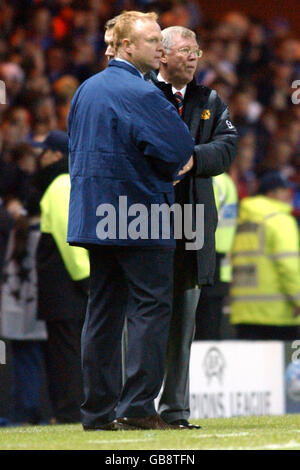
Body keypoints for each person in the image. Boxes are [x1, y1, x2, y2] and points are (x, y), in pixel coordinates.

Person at [67, 11, 194, 431]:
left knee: (102, 312)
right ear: (126, 46)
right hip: (140, 214)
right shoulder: (142, 93)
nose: (162, 47)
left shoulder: (86, 89)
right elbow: (178, 148)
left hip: (95, 217)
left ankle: (97, 413)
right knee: (150, 309)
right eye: (153, 40)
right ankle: (138, 407)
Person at [149, 26, 238, 428]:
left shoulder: (209, 100)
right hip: (144, 223)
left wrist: (192, 159)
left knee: (184, 322)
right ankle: (129, 406)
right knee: (141, 319)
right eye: (185, 50)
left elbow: (228, 147)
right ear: (162, 55)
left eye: (196, 50)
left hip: (193, 227)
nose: (194, 57)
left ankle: (175, 410)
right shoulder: (142, 93)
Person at [31, 130, 90, 423]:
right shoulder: (71, 182)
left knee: (66, 352)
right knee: (69, 350)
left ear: (56, 155)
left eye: (43, 152)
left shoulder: (59, 184)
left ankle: (69, 411)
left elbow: (71, 237)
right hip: (69, 287)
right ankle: (71, 409)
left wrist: (84, 280)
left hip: (65, 287)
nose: (39, 158)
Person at [230, 171, 300, 340]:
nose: (289, 195)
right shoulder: (280, 220)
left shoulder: (243, 219)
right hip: (278, 313)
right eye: (284, 190)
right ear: (271, 194)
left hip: (244, 312)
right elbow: (288, 265)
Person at [195, 172, 238, 340]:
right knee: (211, 329)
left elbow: (202, 218)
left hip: (205, 257)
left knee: (200, 328)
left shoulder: (210, 180)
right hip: (219, 261)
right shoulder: (226, 181)